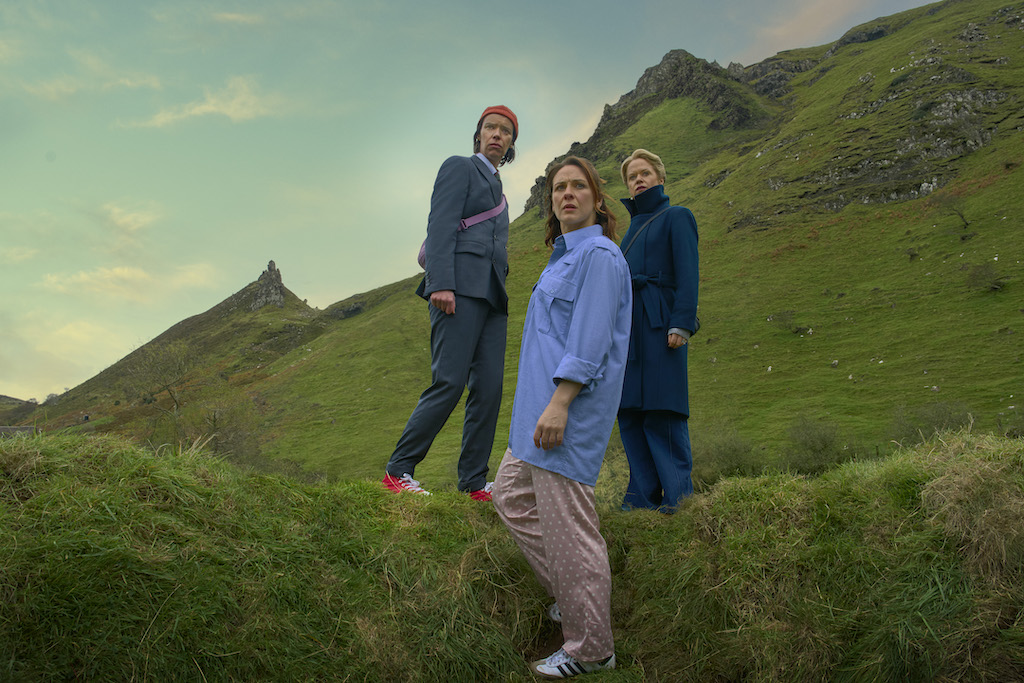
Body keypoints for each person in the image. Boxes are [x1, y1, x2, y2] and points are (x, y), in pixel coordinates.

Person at [493, 156, 631, 679]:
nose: (567, 194)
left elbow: (591, 341)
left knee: (571, 531)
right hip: (536, 415)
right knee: (509, 495)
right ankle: (574, 600)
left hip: (563, 415)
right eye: (558, 188)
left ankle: (591, 649)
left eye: (578, 186)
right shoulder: (563, 257)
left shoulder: (599, 255)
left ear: (597, 198)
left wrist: (561, 403)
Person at [382, 106, 518, 501]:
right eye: (490, 127)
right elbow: (440, 224)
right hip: (456, 289)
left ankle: (474, 482)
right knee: (450, 382)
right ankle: (398, 471)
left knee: (489, 388)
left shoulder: (501, 193)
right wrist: (441, 283)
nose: (497, 134)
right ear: (478, 135)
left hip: (492, 296)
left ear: (511, 143)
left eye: (505, 131)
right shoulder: (459, 167)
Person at [617, 148, 699, 512]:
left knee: (663, 409)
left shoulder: (678, 217)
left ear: (660, 178)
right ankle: (640, 499)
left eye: (644, 173)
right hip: (629, 331)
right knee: (631, 410)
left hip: (661, 322)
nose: (638, 180)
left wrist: (681, 322)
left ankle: (678, 498)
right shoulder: (629, 231)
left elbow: (688, 273)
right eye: (632, 176)